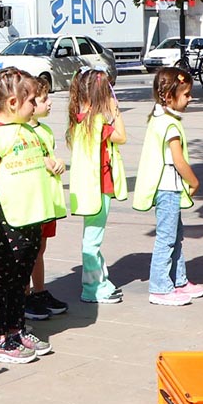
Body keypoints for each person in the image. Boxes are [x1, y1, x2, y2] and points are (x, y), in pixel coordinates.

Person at [0, 66, 54, 363]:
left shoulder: (27, 131)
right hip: (5, 223)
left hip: (30, 220)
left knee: (20, 281)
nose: (35, 105)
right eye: (31, 100)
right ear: (12, 103)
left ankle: (15, 329)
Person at [132, 67, 203, 307]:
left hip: (167, 188)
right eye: (186, 94)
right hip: (168, 189)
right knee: (167, 238)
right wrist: (193, 181)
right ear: (169, 96)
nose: (190, 98)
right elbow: (178, 160)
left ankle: (178, 280)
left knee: (175, 235)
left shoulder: (160, 118)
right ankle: (161, 288)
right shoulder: (169, 126)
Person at [66, 68, 127, 306]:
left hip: (93, 186)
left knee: (93, 237)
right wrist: (115, 110)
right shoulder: (96, 122)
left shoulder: (79, 118)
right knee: (92, 240)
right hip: (97, 187)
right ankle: (92, 287)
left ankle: (100, 281)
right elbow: (121, 136)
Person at [25, 74, 69, 320]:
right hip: (34, 201)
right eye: (43, 99)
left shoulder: (47, 130)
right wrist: (43, 161)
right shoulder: (20, 132)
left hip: (48, 201)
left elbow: (50, 154)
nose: (49, 103)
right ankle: (26, 295)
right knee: (31, 251)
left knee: (40, 249)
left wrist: (57, 161)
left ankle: (39, 291)